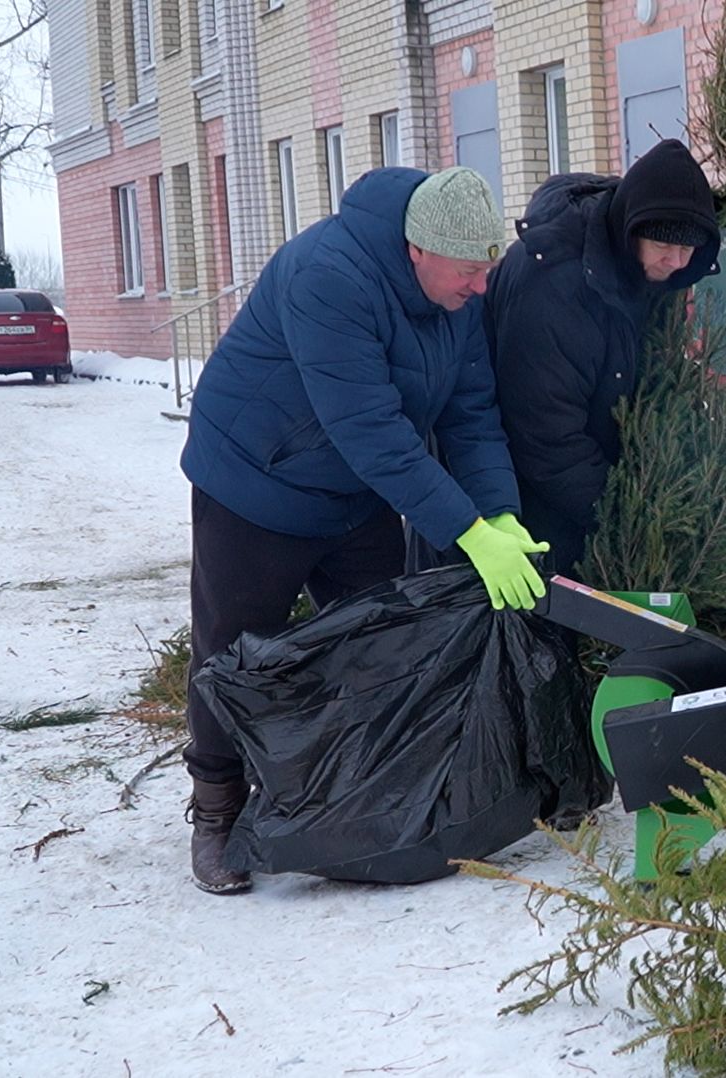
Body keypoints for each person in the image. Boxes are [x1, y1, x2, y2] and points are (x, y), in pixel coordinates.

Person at [178, 166, 550, 895]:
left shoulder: (455, 296)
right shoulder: (328, 275)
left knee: (383, 642)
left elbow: (471, 415)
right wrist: (468, 533)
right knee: (232, 648)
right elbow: (371, 431)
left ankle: (356, 800)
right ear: (419, 250)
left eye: (487, 270)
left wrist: (498, 513)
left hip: (355, 491)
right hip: (257, 479)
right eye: (469, 272)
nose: (481, 288)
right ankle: (216, 810)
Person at [484, 138, 721, 577]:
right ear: (631, 229)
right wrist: (623, 516)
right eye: (664, 246)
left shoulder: (654, 274)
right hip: (518, 511)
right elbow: (545, 436)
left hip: (578, 489)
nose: (676, 261)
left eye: (689, 250)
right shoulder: (555, 281)